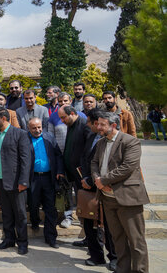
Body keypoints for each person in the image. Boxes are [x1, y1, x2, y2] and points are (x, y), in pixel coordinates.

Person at [92, 112, 150, 273]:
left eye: (102, 125)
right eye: (97, 124)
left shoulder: (130, 142)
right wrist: (97, 179)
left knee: (136, 240)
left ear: (113, 125)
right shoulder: (101, 143)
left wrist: (103, 181)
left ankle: (140, 270)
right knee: (118, 238)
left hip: (127, 198)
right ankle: (122, 269)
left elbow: (127, 167)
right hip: (107, 198)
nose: (98, 127)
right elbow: (94, 162)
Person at [78, 109, 117, 269]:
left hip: (105, 187)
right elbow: (89, 161)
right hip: (89, 186)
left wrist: (94, 181)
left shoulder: (108, 141)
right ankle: (96, 256)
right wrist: (86, 179)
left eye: (90, 123)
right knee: (89, 222)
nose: (89, 125)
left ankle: (114, 257)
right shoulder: (92, 137)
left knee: (109, 225)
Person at [0, 106, 31, 255]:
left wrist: (23, 181)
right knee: (6, 213)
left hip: (16, 182)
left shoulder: (19, 134)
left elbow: (26, 160)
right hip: (0, 181)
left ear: (4, 118)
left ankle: (23, 243)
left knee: (20, 214)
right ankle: (9, 239)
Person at [26, 117, 64, 249]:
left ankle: (51, 237)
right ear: (28, 128)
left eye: (39, 127)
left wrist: (59, 170)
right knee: (33, 204)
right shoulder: (25, 139)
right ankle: (35, 221)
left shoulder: (49, 137)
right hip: (33, 178)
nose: (37, 130)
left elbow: (58, 155)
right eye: (34, 128)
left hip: (49, 178)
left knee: (50, 208)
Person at [58, 105, 92, 229]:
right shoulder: (70, 125)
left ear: (72, 113)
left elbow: (88, 151)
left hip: (82, 174)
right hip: (71, 173)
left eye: (63, 118)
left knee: (85, 206)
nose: (62, 121)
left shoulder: (84, 125)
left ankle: (89, 236)